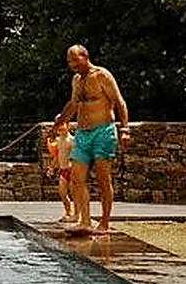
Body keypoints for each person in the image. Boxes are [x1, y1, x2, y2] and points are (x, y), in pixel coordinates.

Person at [50, 45, 130, 235]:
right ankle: (85, 221)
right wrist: (57, 125)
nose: (72, 65)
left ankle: (104, 222)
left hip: (103, 131)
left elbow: (119, 102)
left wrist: (125, 129)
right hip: (82, 134)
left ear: (85, 57)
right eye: (69, 61)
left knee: (103, 179)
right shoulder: (76, 80)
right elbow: (73, 105)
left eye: (75, 60)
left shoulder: (102, 75)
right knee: (77, 178)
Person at [45, 118, 76, 223]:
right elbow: (57, 157)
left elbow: (76, 156)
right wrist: (52, 167)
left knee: (74, 193)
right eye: (58, 125)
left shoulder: (72, 140)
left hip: (71, 170)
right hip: (63, 170)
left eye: (62, 124)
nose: (60, 127)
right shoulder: (58, 141)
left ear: (68, 126)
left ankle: (77, 214)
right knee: (62, 193)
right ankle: (68, 212)